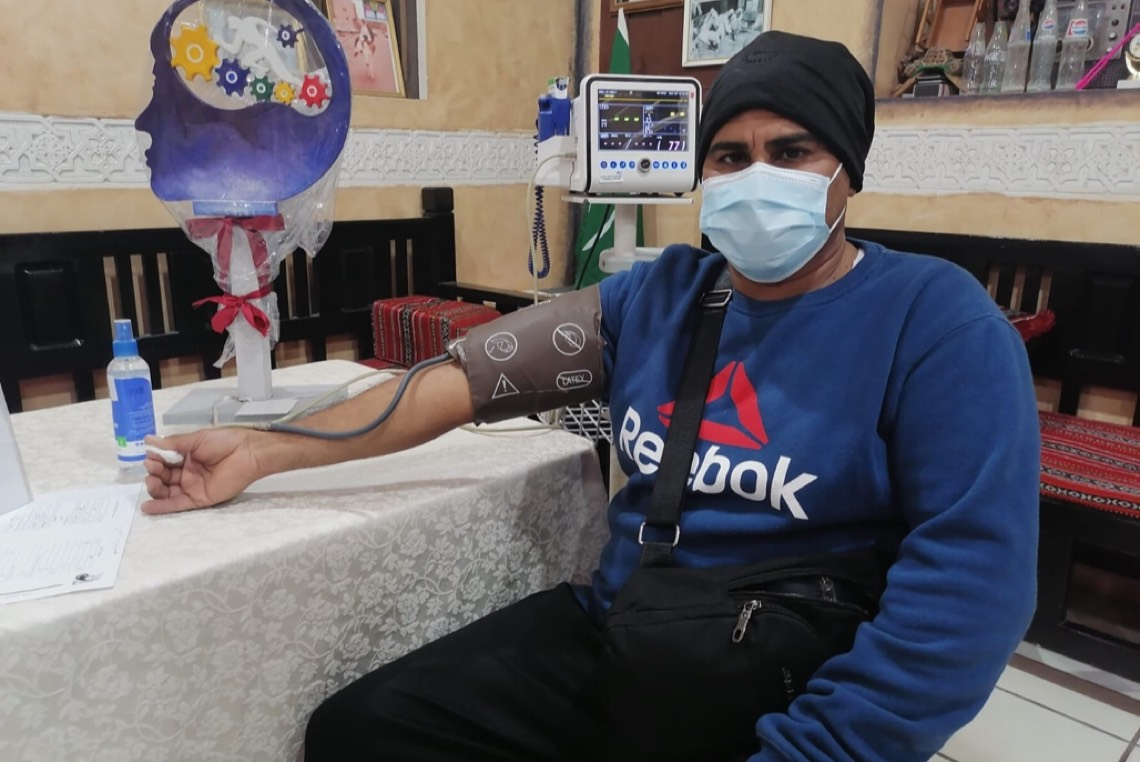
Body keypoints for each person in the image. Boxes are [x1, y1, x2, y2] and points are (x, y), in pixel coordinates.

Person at [143, 31, 1040, 762]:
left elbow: (968, 591)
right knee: (363, 730)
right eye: (730, 156)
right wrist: (264, 450)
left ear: (848, 168)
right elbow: (453, 382)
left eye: (791, 151)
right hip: (632, 632)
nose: (755, 176)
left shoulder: (937, 322)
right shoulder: (659, 298)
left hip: (789, 672)